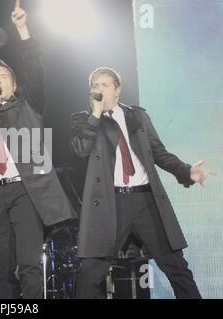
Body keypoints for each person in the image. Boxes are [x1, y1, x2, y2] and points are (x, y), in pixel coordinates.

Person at [70, 67, 214, 299]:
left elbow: (159, 153)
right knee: (90, 273)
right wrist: (95, 115)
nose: (99, 90)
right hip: (110, 204)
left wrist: (187, 171)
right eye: (95, 86)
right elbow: (81, 149)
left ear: (117, 90)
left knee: (176, 267)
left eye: (105, 85)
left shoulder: (137, 116)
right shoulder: (83, 120)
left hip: (145, 201)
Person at [0, 2, 77, 299]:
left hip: (25, 190)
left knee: (28, 265)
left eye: (2, 77)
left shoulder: (29, 104)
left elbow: (34, 69)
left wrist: (22, 30)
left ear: (15, 85)